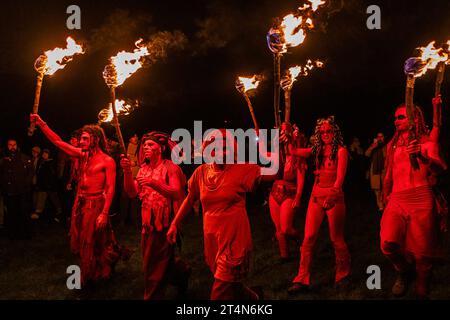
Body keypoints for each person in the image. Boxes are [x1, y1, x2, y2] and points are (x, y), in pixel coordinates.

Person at [167, 129, 280, 300]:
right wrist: (175, 223)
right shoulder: (201, 172)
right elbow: (190, 199)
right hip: (212, 239)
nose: (220, 151)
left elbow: (273, 173)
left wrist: (274, 151)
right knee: (231, 283)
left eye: (224, 147)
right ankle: (254, 299)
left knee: (219, 291)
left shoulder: (242, 169)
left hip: (234, 239)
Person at [30, 114, 129, 287]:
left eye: (84, 138)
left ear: (95, 139)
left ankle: (89, 276)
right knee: (81, 239)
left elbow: (111, 188)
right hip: (80, 203)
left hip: (96, 204)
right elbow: (58, 142)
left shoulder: (107, 161)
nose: (81, 141)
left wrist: (104, 213)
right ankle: (94, 270)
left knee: (89, 240)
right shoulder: (82, 155)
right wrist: (41, 124)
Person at [381, 103, 446, 299]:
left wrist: (421, 156)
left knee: (422, 252)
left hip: (421, 198)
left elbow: (440, 169)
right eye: (395, 118)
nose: (396, 121)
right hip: (397, 199)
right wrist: (386, 194)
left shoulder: (426, 142)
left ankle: (422, 282)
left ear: (415, 119)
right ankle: (403, 271)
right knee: (387, 243)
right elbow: (388, 174)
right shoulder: (392, 145)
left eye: (401, 117)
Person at [121, 131, 190, 300]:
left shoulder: (170, 168)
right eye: (144, 145)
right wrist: (127, 172)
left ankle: (151, 296)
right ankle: (182, 274)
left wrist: (154, 183)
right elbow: (131, 192)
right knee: (158, 262)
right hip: (148, 225)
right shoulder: (143, 169)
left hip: (166, 224)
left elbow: (175, 192)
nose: (146, 147)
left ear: (162, 148)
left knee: (153, 266)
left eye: (151, 145)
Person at [287, 116, 351, 294]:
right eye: (322, 132)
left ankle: (343, 274)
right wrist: (291, 137)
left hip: (334, 198)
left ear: (335, 132)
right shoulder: (317, 150)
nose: (325, 134)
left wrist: (333, 194)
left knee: (336, 238)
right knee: (308, 238)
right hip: (316, 198)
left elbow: (339, 179)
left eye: (328, 131)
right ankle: (301, 278)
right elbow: (293, 151)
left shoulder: (341, 151)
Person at [269, 123, 306, 261]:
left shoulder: (297, 156)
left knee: (286, 229)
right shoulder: (277, 155)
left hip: (290, 191)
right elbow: (262, 154)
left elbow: (301, 176)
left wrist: (298, 196)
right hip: (274, 192)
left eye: (286, 133)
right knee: (278, 230)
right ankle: (284, 256)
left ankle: (302, 242)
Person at [0, 139, 33, 239]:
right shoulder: (3, 160)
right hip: (10, 192)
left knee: (23, 212)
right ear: (7, 146)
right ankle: (13, 233)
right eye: (10, 145)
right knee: (11, 213)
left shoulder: (24, 157)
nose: (12, 147)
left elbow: (31, 172)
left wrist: (26, 183)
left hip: (22, 191)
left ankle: (25, 233)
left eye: (14, 145)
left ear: (17, 145)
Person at [33, 149, 63, 222]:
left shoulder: (51, 162)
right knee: (41, 199)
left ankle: (60, 213)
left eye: (46, 153)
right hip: (43, 185)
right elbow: (40, 174)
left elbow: (52, 175)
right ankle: (39, 213)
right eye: (44, 153)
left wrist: (50, 184)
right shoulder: (42, 162)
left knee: (54, 199)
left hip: (50, 185)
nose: (44, 155)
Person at [365, 132, 387, 212]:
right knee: (377, 189)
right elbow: (367, 154)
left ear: (384, 138)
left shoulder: (386, 146)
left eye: (381, 136)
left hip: (384, 170)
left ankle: (385, 203)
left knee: (385, 188)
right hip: (374, 170)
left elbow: (387, 157)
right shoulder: (374, 146)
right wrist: (373, 147)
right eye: (378, 136)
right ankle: (380, 205)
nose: (380, 138)